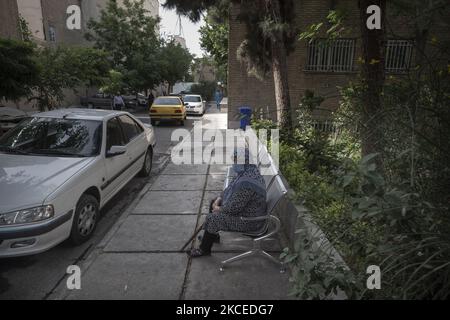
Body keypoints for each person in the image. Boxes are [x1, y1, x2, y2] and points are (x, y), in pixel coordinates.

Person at [189, 148, 267, 257]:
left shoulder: (247, 183)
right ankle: (213, 235)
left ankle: (204, 249)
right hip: (245, 212)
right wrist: (218, 200)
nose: (234, 163)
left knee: (213, 218)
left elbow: (233, 209)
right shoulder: (248, 171)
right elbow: (228, 190)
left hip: (250, 221)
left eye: (235, 160)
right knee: (214, 201)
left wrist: (218, 209)